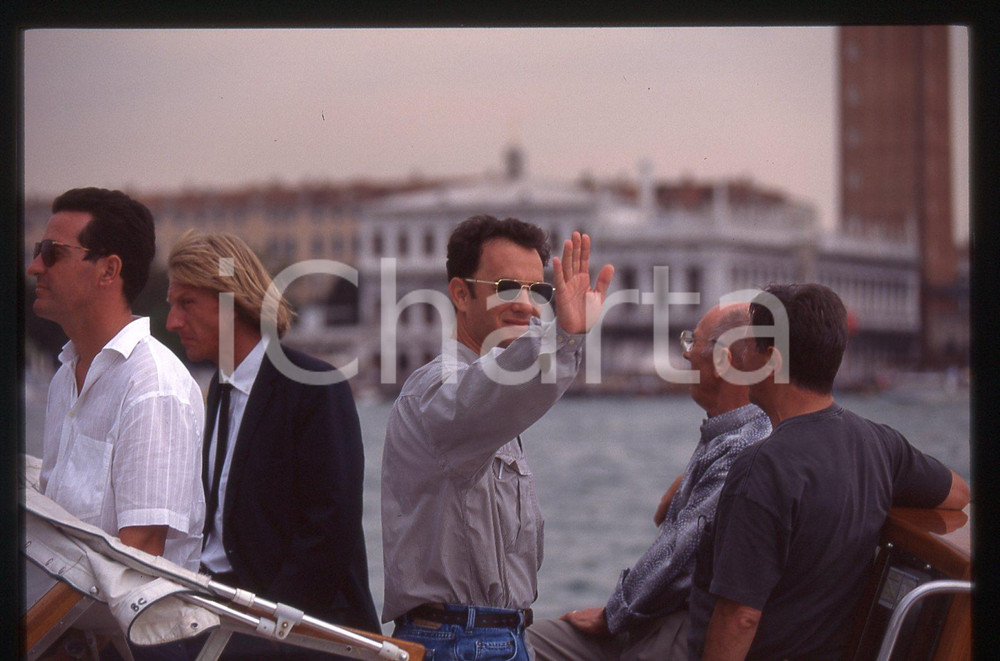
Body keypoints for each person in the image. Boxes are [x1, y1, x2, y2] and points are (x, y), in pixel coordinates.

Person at [688, 283, 971, 661]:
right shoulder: (879, 443)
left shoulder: (762, 468)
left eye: (749, 344)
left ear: (771, 360)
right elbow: (959, 493)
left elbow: (740, 617)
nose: (739, 355)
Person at [381, 215, 615, 660]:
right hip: (459, 642)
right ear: (460, 293)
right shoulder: (437, 390)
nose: (526, 305)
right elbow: (493, 387)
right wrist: (566, 335)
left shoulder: (494, 402)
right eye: (507, 288)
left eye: (538, 291)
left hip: (496, 636)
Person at [166, 231, 379, 658]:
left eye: (186, 303)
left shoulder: (315, 387)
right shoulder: (220, 390)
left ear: (232, 302)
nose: (172, 321)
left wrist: (264, 625)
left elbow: (329, 530)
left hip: (294, 629)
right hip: (226, 611)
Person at [527, 304, 772, 661]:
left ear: (722, 360)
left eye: (692, 342)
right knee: (524, 643)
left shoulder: (739, 446)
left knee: (524, 647)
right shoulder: (728, 435)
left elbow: (677, 557)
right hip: (663, 614)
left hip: (685, 623)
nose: (686, 354)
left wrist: (612, 615)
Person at [28, 187, 205, 570]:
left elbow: (139, 561)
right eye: (38, 251)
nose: (35, 267)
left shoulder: (152, 387)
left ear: (108, 270)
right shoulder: (65, 378)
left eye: (52, 253)